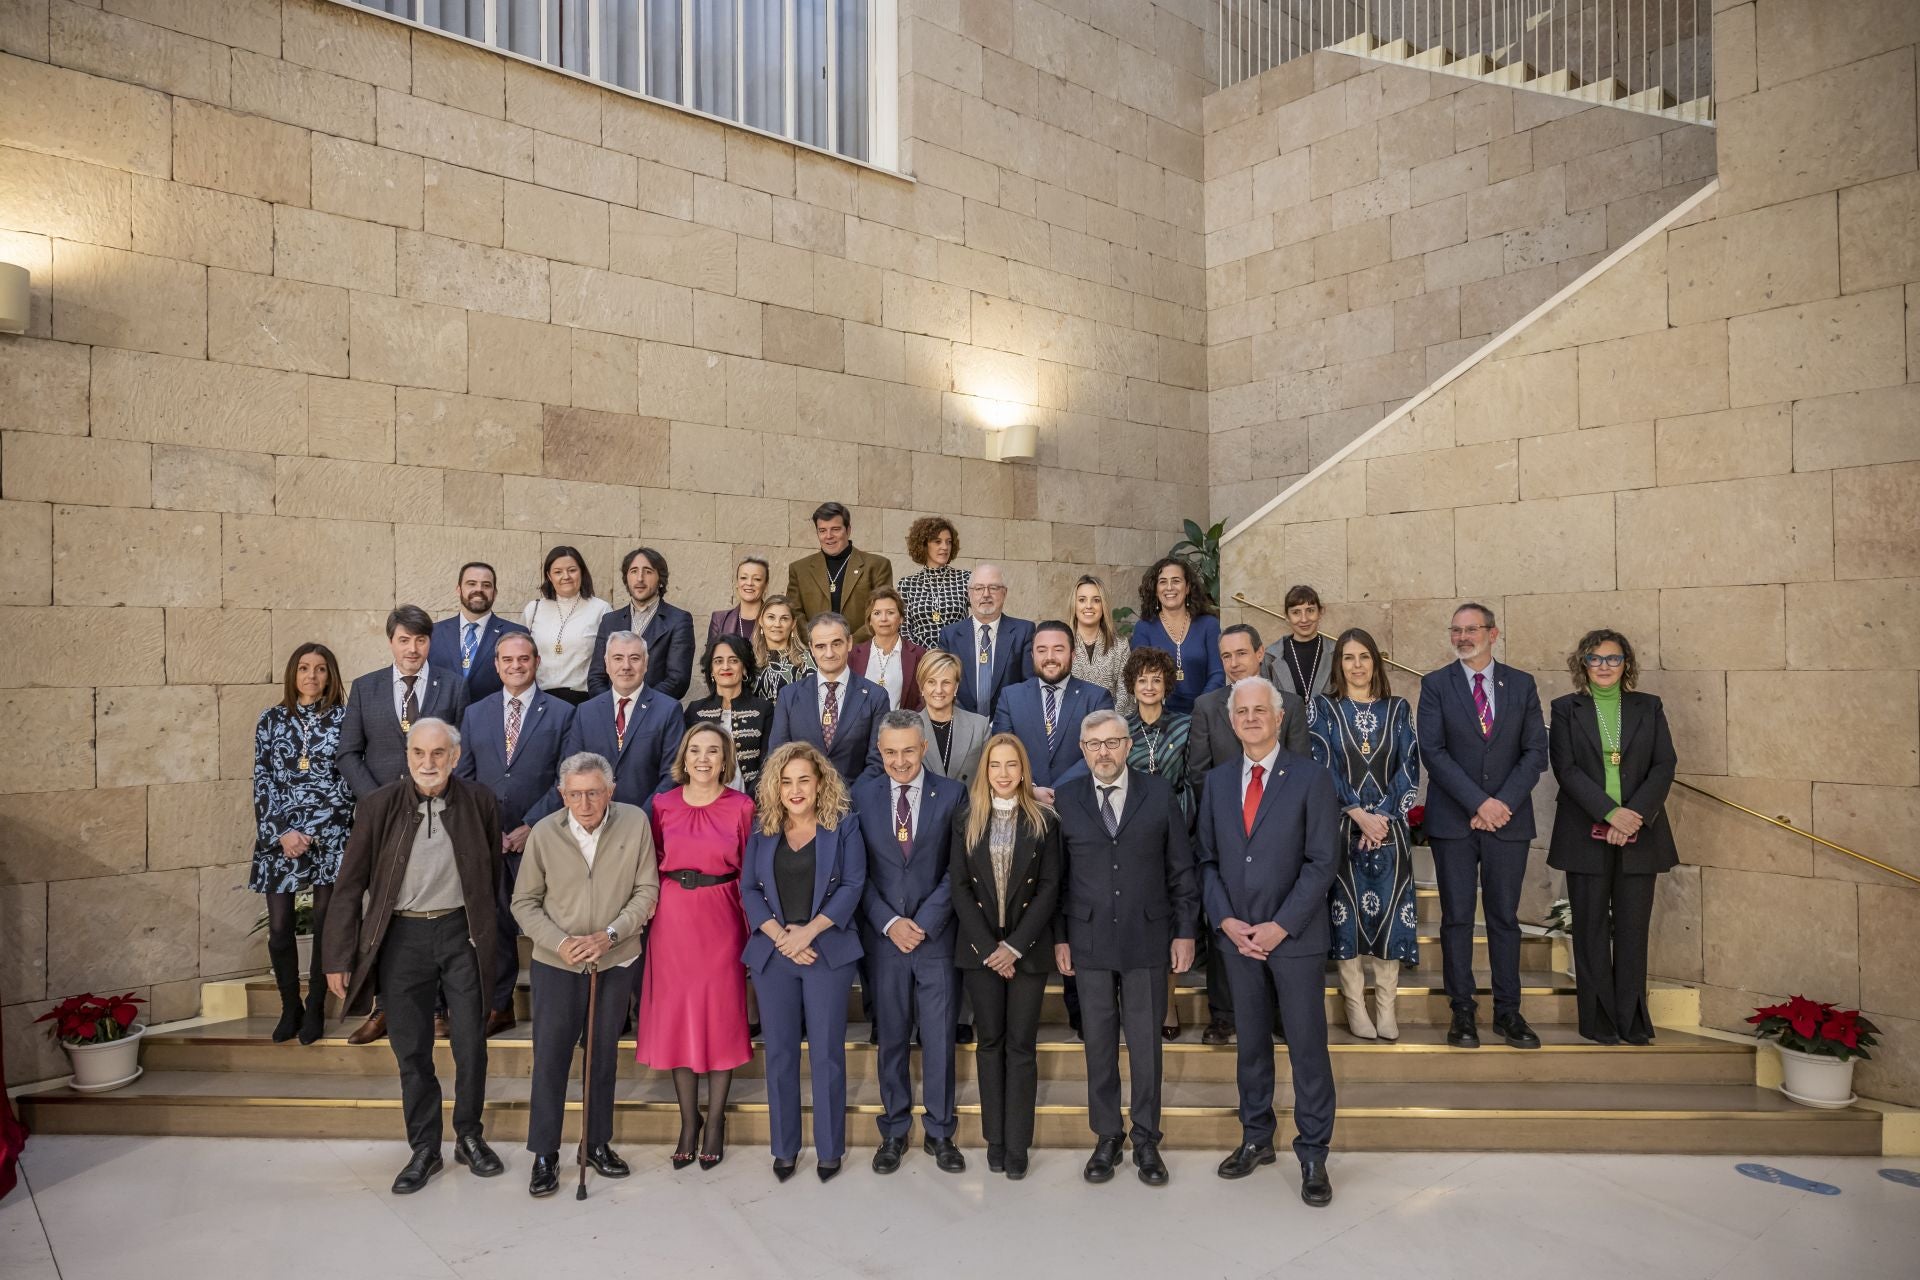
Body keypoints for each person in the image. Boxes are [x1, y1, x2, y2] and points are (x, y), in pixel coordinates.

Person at [322, 718, 505, 1194]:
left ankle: (469, 1135)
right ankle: (425, 1147)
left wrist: (491, 939)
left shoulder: (480, 802)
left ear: (455, 757)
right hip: (401, 939)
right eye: (419, 753)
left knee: (470, 1043)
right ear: (407, 757)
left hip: (460, 933)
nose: (429, 763)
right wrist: (337, 956)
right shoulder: (378, 806)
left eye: (439, 753)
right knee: (411, 1050)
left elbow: (490, 879)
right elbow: (349, 887)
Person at [1196, 678, 1338, 1208]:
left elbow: (1323, 861)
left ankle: (1314, 1153)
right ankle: (1256, 1137)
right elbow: (1206, 860)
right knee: (1251, 1045)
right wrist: (1226, 920)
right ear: (1232, 722)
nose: (1252, 718)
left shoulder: (1311, 778)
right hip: (1238, 939)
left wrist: (1282, 924)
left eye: (1262, 710)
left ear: (1279, 718)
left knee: (1307, 1048)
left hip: (1293, 938)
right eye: (1243, 711)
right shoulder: (1216, 783)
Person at [1053, 708, 1197, 1187]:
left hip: (1148, 936)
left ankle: (1147, 1138)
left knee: (1144, 1044)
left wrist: (1184, 931)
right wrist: (1060, 938)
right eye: (1094, 745)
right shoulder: (1068, 799)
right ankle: (1107, 1136)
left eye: (1112, 742)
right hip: (1089, 939)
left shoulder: (1157, 792)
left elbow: (1180, 868)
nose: (1104, 753)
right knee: (1097, 1043)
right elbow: (1058, 878)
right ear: (1083, 750)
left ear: (1127, 744)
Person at [511, 751, 660, 1197]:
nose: (585, 803)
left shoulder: (635, 823)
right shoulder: (544, 833)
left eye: (594, 793)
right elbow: (524, 903)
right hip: (558, 963)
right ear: (562, 795)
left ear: (610, 791)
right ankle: (544, 1153)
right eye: (575, 794)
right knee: (552, 1058)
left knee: (602, 1056)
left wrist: (609, 935)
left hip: (614, 960)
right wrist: (561, 942)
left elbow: (646, 889)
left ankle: (596, 1143)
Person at [336, 604, 470, 1047]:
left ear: (430, 643)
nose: (412, 649)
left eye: (420, 640)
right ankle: (382, 1008)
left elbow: (461, 752)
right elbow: (348, 752)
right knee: (383, 908)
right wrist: (378, 801)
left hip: (437, 817)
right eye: (404, 640)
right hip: (382, 816)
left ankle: (433, 1009)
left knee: (430, 908)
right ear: (390, 641)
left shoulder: (453, 685)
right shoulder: (366, 687)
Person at [1418, 603, 1550, 1050]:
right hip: (1454, 822)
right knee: (1456, 919)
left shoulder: (1522, 684)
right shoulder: (1435, 685)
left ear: (1493, 634)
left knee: (1504, 919)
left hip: (1508, 822)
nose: (1462, 637)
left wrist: (1500, 805)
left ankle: (1509, 1013)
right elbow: (1433, 752)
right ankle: (1462, 1012)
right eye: (1455, 630)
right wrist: (1479, 803)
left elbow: (1536, 752)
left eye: (1471, 629)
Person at [742, 742, 867, 1183]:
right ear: (776, 787)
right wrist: (781, 937)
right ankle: (785, 1148)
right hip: (774, 957)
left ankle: (830, 1149)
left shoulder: (843, 827)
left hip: (825, 953)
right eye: (786, 781)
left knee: (827, 1054)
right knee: (778, 1054)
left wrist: (808, 932)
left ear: (820, 784)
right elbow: (749, 891)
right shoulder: (762, 830)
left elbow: (853, 885)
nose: (795, 789)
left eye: (804, 780)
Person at [851, 711, 969, 1175]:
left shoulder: (953, 794)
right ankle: (895, 1131)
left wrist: (923, 920)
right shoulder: (862, 795)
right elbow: (855, 872)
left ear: (924, 748)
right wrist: (888, 922)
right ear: (880, 752)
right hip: (885, 942)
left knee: (939, 1038)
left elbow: (957, 867)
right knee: (893, 1038)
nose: (900, 761)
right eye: (890, 752)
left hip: (935, 937)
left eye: (908, 750)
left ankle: (941, 1132)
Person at [1548, 629, 1678, 1046]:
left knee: (1633, 929)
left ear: (1627, 664)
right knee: (1588, 930)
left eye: (1613, 658)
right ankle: (1598, 1019)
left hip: (1641, 833)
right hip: (1584, 834)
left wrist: (1632, 816)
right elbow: (1566, 770)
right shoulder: (1566, 709)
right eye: (1595, 658)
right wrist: (1611, 813)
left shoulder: (1649, 707)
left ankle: (1632, 1019)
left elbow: (1664, 764)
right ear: (1582, 664)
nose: (1604, 666)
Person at [636, 725, 757, 1167]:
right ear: (683, 758)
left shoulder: (742, 806)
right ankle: (689, 1119)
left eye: (712, 751)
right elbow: (649, 862)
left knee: (720, 1016)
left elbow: (750, 872)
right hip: (673, 918)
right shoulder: (663, 804)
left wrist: (750, 931)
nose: (703, 759)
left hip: (722, 915)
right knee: (677, 1016)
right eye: (695, 751)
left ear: (726, 759)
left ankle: (717, 1119)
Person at [1186, 622, 1308, 1046]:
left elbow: (1300, 768)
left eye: (1242, 653)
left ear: (1260, 654)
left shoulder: (1288, 704)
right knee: (1225, 919)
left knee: (1275, 918)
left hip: (1279, 835)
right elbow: (1197, 773)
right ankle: (1224, 1014)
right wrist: (1224, 819)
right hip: (1226, 833)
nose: (1234, 663)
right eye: (1226, 656)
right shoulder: (1207, 706)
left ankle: (1275, 1011)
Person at [949, 734, 1061, 1180]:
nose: (1003, 773)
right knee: (990, 1043)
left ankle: (1018, 1145)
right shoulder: (965, 819)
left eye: (1011, 765)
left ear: (1023, 770)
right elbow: (959, 887)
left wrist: (1014, 946)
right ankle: (994, 1140)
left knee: (1021, 1047)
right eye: (995, 765)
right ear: (985, 770)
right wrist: (989, 948)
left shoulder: (1043, 821)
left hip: (1026, 952)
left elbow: (1051, 887)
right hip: (979, 953)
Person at [455, 633, 576, 1036]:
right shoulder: (475, 714)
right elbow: (465, 777)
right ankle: (500, 1005)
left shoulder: (561, 713)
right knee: (495, 925)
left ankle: (557, 1011)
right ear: (496, 664)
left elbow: (566, 776)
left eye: (523, 659)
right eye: (507, 659)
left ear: (536, 661)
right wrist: (490, 831)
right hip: (490, 839)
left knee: (551, 921)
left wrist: (531, 826)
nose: (516, 666)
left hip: (542, 836)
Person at [1308, 629, 1419, 1043]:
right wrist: (1356, 813)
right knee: (1347, 916)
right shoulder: (1325, 709)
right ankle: (1356, 1007)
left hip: (1390, 834)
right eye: (1349, 658)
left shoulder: (1398, 708)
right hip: (1341, 830)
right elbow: (1321, 763)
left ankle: (1387, 1008)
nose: (1357, 665)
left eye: (1364, 657)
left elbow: (1409, 765)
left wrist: (1384, 817)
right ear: (1339, 665)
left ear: (1376, 662)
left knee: (1390, 918)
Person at [252, 643, 354, 1045]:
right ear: (293, 673)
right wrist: (283, 831)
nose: (312, 676)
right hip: (279, 837)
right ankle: (289, 1005)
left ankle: (315, 1007)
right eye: (305, 668)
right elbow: (262, 779)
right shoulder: (271, 719)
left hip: (327, 835)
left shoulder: (345, 719)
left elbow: (347, 782)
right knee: (280, 928)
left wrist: (310, 829)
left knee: (325, 924)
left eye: (321, 669)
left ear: (331, 676)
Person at [1123, 646, 1193, 1041]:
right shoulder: (1121, 729)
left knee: (1168, 918)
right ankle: (1134, 1002)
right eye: (1142, 679)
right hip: (1132, 839)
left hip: (1176, 832)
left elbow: (1192, 780)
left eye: (1156, 679)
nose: (1149, 686)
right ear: (1132, 685)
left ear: (1166, 685)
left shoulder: (1185, 726)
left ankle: (1168, 1001)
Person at [990, 621, 1113, 803]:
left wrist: (1058, 790)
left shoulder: (1097, 698)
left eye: (1058, 649)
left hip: (1080, 803)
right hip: (1025, 805)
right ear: (1032, 655)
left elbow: (1101, 752)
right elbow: (1003, 751)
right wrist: (1030, 789)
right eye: (1041, 650)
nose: (1050, 657)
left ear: (1073, 655)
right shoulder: (1011, 697)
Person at [560, 631, 685, 807]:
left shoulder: (668, 710)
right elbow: (572, 770)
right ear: (606, 664)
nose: (626, 666)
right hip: (594, 820)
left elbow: (672, 775)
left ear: (646, 664)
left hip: (646, 822)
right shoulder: (585, 711)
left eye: (634, 658)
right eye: (618, 658)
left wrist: (640, 819)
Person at [768, 612, 886, 785]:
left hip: (854, 804)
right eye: (821, 646)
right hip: (802, 802)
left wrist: (848, 799)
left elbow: (877, 762)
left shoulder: (876, 696)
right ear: (811, 648)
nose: (829, 653)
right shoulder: (789, 696)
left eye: (836, 644)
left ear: (850, 643)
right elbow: (778, 757)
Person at [586, 546, 696, 700]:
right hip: (612, 714)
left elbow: (677, 680)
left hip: (655, 713)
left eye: (648, 571)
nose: (639, 578)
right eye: (633, 571)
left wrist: (638, 705)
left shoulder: (678, 620)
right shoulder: (610, 621)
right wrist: (614, 706)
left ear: (660, 579)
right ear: (626, 578)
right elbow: (596, 677)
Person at [1126, 557, 1223, 715]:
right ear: (1155, 589)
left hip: (1205, 713)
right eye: (1163, 582)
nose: (1169, 587)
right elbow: (1142, 676)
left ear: (1187, 588)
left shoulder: (1209, 625)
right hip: (1160, 715)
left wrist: (1200, 709)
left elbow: (1217, 673)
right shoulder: (1144, 628)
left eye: (1176, 581)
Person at [786, 501, 894, 642]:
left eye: (835, 529)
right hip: (816, 652)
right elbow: (795, 613)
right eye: (822, 530)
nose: (829, 536)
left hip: (862, 652)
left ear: (848, 530)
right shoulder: (799, 569)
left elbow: (881, 613)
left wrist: (850, 643)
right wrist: (818, 642)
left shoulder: (878, 565)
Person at [936, 563, 1033, 719]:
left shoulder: (1024, 631)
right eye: (979, 588)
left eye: (993, 588)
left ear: (1004, 593)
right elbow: (943, 686)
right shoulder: (950, 635)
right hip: (961, 727)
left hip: (1008, 727)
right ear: (969, 594)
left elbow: (1029, 687)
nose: (986, 594)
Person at [682, 634, 774, 793]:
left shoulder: (764, 709)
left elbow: (768, 762)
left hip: (750, 800)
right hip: (703, 799)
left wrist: (751, 800)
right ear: (711, 669)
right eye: (718, 661)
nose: (725, 667)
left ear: (744, 667)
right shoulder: (694, 710)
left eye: (733, 660)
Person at [429, 561, 531, 703]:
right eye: (471, 583)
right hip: (443, 722)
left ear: (494, 593)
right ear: (459, 589)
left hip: (491, 719)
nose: (479, 589)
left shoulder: (516, 634)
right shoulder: (433, 633)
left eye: (486, 585)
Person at [521, 545, 610, 705]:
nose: (566, 576)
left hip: (583, 700)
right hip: (539, 701)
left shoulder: (600, 609)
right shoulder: (533, 609)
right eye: (558, 572)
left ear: (582, 572)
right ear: (549, 575)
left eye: (572, 570)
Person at [897, 515, 971, 648]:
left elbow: (979, 619)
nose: (945, 547)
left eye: (948, 542)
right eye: (938, 542)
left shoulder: (966, 579)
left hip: (958, 659)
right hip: (921, 662)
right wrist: (924, 657)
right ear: (924, 545)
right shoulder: (907, 584)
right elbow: (904, 630)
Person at [917, 650, 990, 784]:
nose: (939, 690)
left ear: (956, 687)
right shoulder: (908, 728)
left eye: (946, 682)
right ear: (922, 687)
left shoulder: (979, 726)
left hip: (968, 804)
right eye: (931, 682)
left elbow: (987, 778)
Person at [850, 586, 925, 711]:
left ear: (901, 618)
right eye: (877, 613)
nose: (883, 619)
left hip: (903, 727)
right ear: (869, 620)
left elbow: (923, 698)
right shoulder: (853, 655)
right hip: (863, 729)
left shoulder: (919, 655)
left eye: (890, 612)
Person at [1068, 574, 1134, 716]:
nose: (1089, 606)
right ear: (1074, 604)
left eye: (1096, 600)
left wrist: (1108, 724)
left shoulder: (1120, 645)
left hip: (1111, 726)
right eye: (1082, 600)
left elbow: (1125, 692)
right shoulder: (1062, 643)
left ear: (1103, 605)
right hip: (1068, 725)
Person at [1263, 585, 1335, 706]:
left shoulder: (1336, 652)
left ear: (1320, 612)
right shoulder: (1271, 655)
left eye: (1310, 610)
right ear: (1286, 616)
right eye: (1296, 612)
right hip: (1286, 724)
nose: (1304, 619)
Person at [751, 594, 813, 701]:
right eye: (771, 617)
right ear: (761, 621)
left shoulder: (807, 659)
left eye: (784, 619)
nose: (777, 624)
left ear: (793, 623)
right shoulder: (748, 658)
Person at [708, 554, 770, 644]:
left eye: (757, 579)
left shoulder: (775, 622)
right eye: (743, 578)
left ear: (765, 586)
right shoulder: (719, 620)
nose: (749, 583)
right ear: (737, 583)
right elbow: (711, 656)